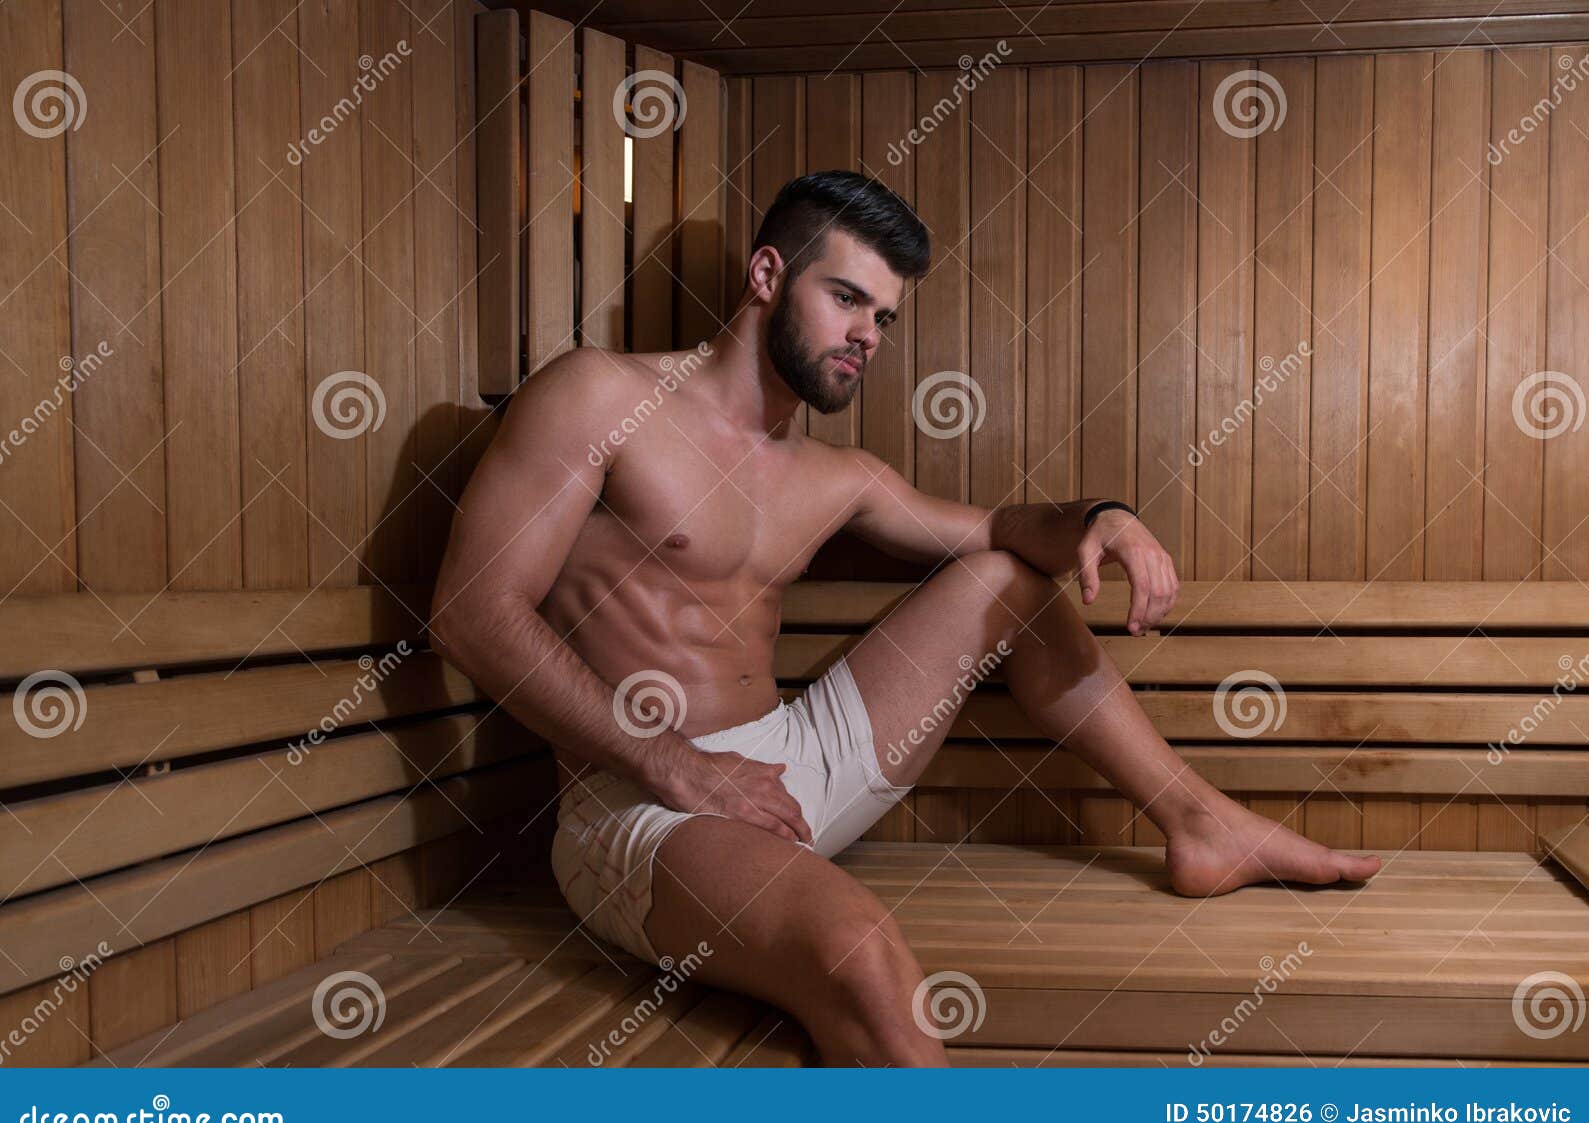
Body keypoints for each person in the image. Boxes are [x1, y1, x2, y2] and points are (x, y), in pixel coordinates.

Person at [428, 169, 1381, 1067]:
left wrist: (1105, 519)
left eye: (883, 317)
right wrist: (678, 764)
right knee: (863, 954)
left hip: (790, 765)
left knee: (1010, 576)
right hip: (645, 806)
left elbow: (1009, 531)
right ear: (768, 274)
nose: (867, 335)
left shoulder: (836, 477)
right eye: (846, 299)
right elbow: (470, 615)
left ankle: (1201, 822)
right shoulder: (603, 396)